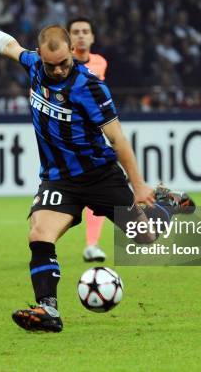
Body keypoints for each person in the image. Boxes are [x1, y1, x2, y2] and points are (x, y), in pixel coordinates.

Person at [0, 0, 194, 333]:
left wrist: (138, 185)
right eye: (51, 65)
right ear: (41, 55)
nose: (57, 70)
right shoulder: (34, 65)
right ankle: (47, 310)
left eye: (63, 63)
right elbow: (4, 43)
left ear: (70, 52)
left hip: (100, 176)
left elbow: (118, 139)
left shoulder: (89, 87)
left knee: (146, 237)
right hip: (59, 180)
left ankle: (166, 202)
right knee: (39, 234)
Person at [68, 17, 110, 263]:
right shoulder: (59, 64)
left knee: (98, 189)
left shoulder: (100, 63)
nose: (81, 36)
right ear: (68, 37)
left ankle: (92, 245)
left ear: (92, 37)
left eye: (86, 31)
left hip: (90, 138)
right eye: (76, 32)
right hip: (65, 138)